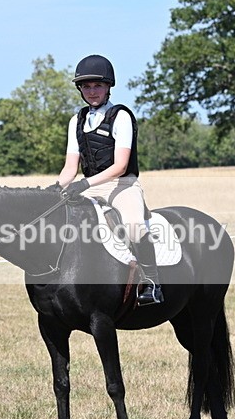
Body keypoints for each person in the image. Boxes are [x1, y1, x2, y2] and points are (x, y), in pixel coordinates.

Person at [56, 55, 163, 306]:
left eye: (97, 86)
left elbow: (120, 166)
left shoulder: (121, 116)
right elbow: (71, 167)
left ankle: (153, 283)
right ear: (80, 89)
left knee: (135, 226)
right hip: (88, 186)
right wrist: (55, 189)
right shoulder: (77, 120)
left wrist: (85, 184)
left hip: (122, 185)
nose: (92, 91)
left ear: (108, 87)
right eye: (86, 87)